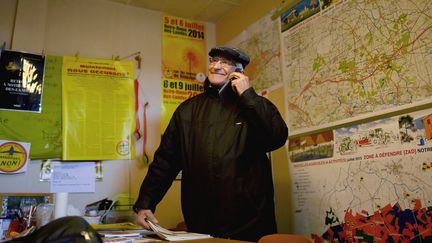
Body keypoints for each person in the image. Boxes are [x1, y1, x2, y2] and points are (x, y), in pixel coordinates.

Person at [134, 46, 288, 242]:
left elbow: (276, 138)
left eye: (225, 62)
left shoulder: (255, 104)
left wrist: (248, 95)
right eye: (213, 60)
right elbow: (165, 161)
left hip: (250, 222)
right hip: (202, 222)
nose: (216, 66)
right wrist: (145, 203)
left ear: (239, 71)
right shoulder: (187, 110)